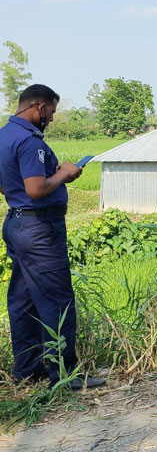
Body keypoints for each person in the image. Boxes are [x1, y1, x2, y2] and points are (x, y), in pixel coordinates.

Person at [0, 84, 103, 389]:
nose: (52, 119)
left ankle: (27, 369)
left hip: (16, 225)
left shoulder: (4, 135)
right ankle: (64, 375)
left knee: (24, 299)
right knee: (57, 300)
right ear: (39, 107)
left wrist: (39, 181)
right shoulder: (31, 142)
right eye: (52, 112)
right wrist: (64, 174)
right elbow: (35, 189)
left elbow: (7, 185)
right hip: (40, 230)